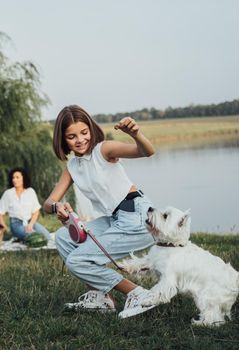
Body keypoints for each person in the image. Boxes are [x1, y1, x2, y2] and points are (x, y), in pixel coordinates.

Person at [43, 105, 156, 319]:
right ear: (62, 139)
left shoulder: (104, 150)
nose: (80, 140)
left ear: (91, 130)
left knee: (77, 260)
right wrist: (58, 207)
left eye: (84, 133)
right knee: (63, 237)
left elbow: (147, 151)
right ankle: (101, 297)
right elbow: (48, 202)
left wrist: (136, 134)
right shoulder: (72, 166)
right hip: (114, 218)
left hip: (137, 216)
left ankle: (138, 294)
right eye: (71, 136)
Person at [0, 167, 51, 243]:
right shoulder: (8, 193)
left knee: (47, 237)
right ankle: (20, 236)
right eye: (13, 178)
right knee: (35, 238)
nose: (14, 180)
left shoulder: (30, 191)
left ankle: (21, 238)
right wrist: (3, 225)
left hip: (30, 222)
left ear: (23, 178)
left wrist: (31, 224)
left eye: (17, 177)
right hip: (16, 224)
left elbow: (36, 211)